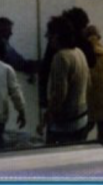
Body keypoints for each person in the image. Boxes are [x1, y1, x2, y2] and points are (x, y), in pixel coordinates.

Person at [38, 16, 90, 145]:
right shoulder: (79, 53)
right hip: (81, 118)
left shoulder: (60, 57)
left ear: (56, 36)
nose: (47, 38)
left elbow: (59, 94)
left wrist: (44, 120)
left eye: (49, 35)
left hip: (64, 125)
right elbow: (89, 83)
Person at [38, 7, 96, 113]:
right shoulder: (81, 47)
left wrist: (46, 103)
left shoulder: (59, 53)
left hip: (65, 107)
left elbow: (45, 69)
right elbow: (92, 62)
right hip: (79, 103)